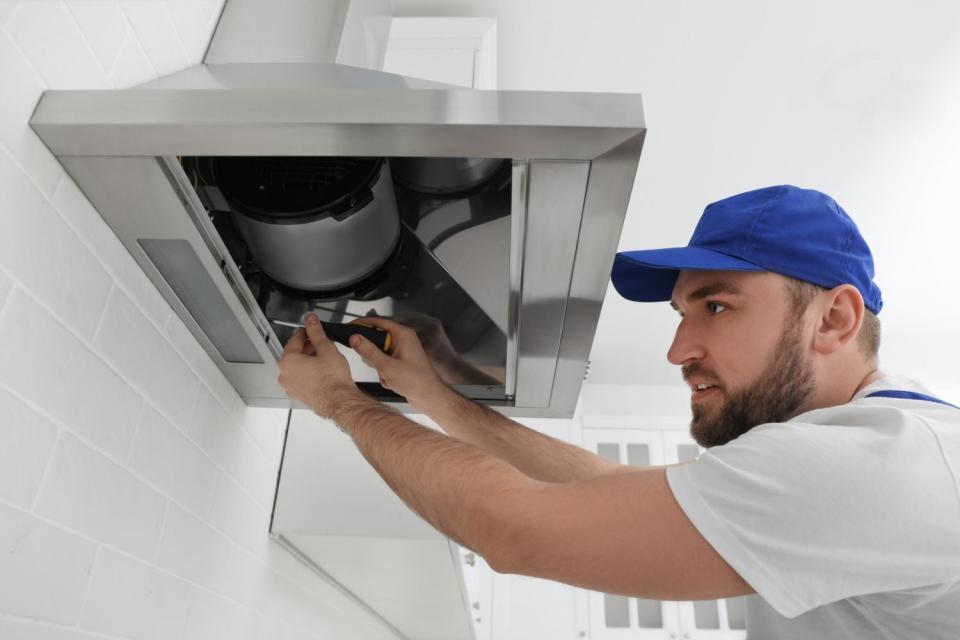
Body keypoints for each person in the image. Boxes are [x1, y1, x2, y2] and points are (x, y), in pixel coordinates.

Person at [278, 185, 960, 639]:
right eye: (682, 312)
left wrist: (340, 402)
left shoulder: (886, 462)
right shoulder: (864, 449)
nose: (677, 350)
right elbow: (601, 487)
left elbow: (517, 533)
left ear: (833, 318)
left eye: (716, 306)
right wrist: (433, 392)